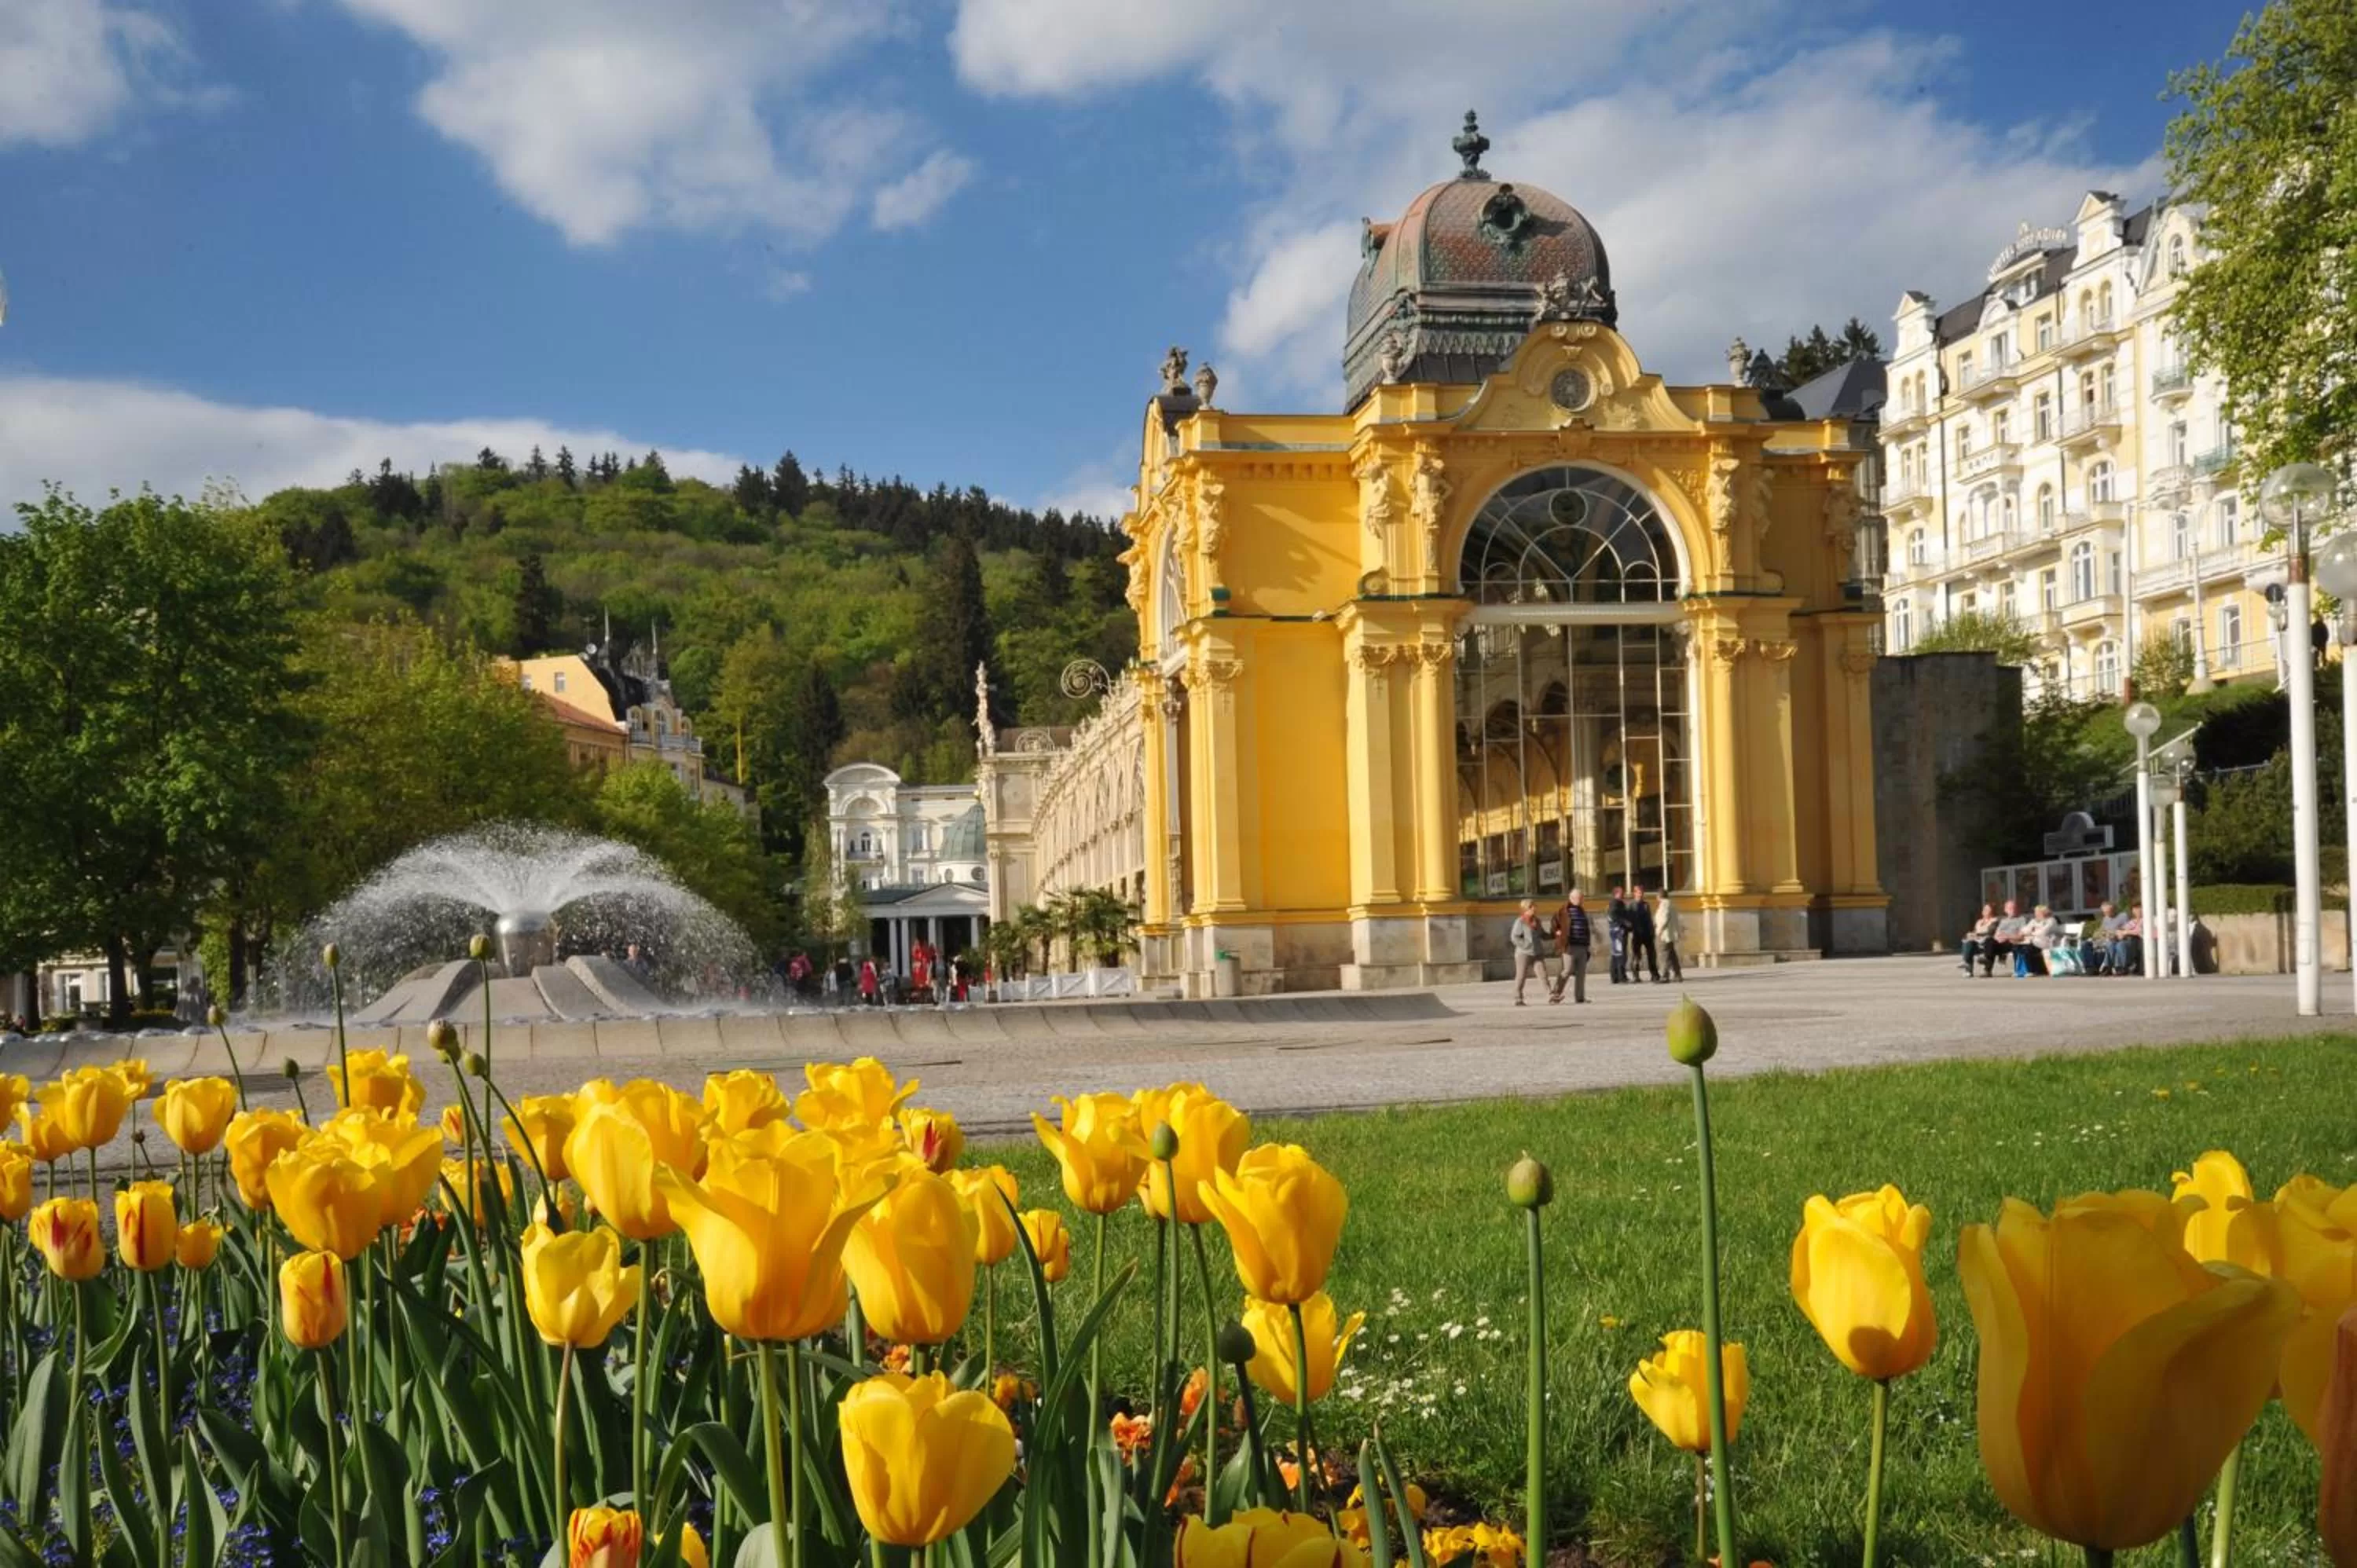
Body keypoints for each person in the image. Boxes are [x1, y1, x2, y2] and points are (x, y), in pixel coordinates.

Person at [1509, 898, 1556, 1006]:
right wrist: (1526, 945)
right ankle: (1518, 998)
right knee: (1521, 976)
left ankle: (1551, 996)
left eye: (1535, 906)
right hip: (1523, 953)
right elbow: (1514, 937)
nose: (1535, 908)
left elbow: (1542, 935)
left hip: (1537, 953)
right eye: (1532, 906)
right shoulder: (1520, 922)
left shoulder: (1537, 921)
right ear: (1527, 908)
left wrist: (1553, 935)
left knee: (1543, 975)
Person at [1551, 890, 1595, 1003]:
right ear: (1571, 898)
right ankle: (1555, 994)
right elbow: (1554, 923)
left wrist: (1588, 946)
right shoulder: (1564, 910)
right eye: (1578, 898)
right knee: (1567, 970)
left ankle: (1580, 997)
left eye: (1581, 898)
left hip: (1582, 946)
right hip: (1569, 946)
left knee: (1581, 973)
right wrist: (1557, 932)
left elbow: (1586, 928)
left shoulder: (1582, 911)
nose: (1580, 900)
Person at [1626, 888, 1662, 982]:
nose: (1641, 895)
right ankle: (1635, 975)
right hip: (1637, 934)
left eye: (1642, 893)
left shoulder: (1646, 905)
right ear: (1635, 894)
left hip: (1647, 934)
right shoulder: (1631, 905)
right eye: (1639, 893)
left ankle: (1654, 974)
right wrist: (1631, 930)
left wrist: (1652, 931)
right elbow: (1629, 920)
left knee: (1652, 955)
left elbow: (1649, 919)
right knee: (1636, 955)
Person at [1958, 903, 2000, 975]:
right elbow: (1975, 932)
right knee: (1968, 941)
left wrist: (1976, 935)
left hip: (1988, 943)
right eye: (1984, 909)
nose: (1985, 911)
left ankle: (1987, 970)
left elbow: (1991, 932)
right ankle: (1968, 967)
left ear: (1992, 911)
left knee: (1988, 941)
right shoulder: (1979, 922)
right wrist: (1971, 935)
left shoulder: (1994, 921)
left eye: (1988, 910)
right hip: (1978, 942)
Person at [1655, 890, 1684, 982]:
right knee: (1671, 954)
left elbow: (1664, 919)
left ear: (1659, 896)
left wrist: (1659, 931)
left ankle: (1665, 975)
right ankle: (1677, 974)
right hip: (1671, 934)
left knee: (1663, 954)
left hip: (1665, 935)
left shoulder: (1664, 905)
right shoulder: (1672, 904)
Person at [1606, 888, 1630, 984]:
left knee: (1617, 953)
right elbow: (1613, 916)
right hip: (1618, 931)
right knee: (1620, 954)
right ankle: (1620, 976)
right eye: (1621, 893)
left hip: (1618, 930)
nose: (1624, 894)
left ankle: (1616, 976)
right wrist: (1625, 922)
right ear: (1616, 894)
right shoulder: (1615, 903)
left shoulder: (1618, 903)